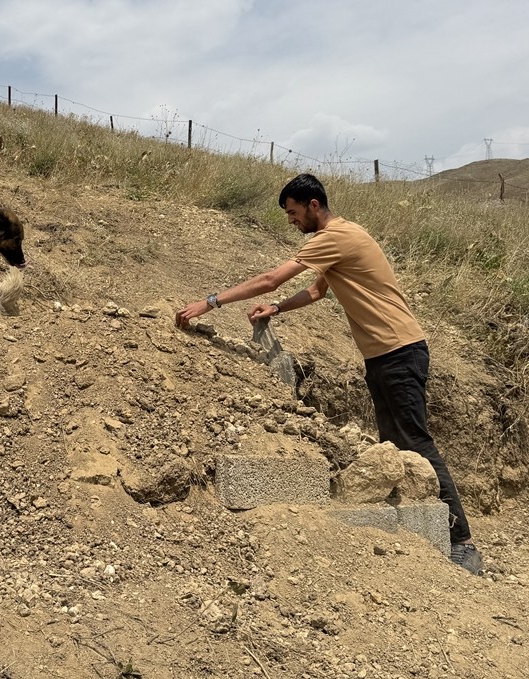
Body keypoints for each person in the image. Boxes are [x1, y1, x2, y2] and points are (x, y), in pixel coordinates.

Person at [175, 173, 484, 575]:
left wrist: (210, 301)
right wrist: (279, 309)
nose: (291, 220)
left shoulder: (335, 236)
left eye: (292, 212)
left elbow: (271, 278)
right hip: (384, 356)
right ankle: (426, 535)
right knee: (397, 445)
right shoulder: (344, 237)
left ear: (313, 205)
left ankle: (462, 543)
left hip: (399, 352)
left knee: (415, 442)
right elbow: (320, 290)